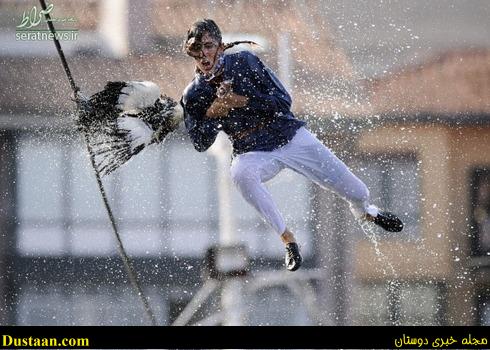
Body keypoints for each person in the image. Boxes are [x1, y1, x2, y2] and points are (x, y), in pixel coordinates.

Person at [181, 19, 403, 272]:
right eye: (197, 49)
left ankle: (366, 212)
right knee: (240, 174)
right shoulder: (194, 94)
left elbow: (282, 101)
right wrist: (213, 113)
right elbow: (200, 142)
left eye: (208, 46)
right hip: (253, 151)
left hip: (289, 136)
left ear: (221, 47)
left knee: (357, 190)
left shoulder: (244, 62)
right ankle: (287, 238)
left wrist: (242, 101)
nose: (204, 54)